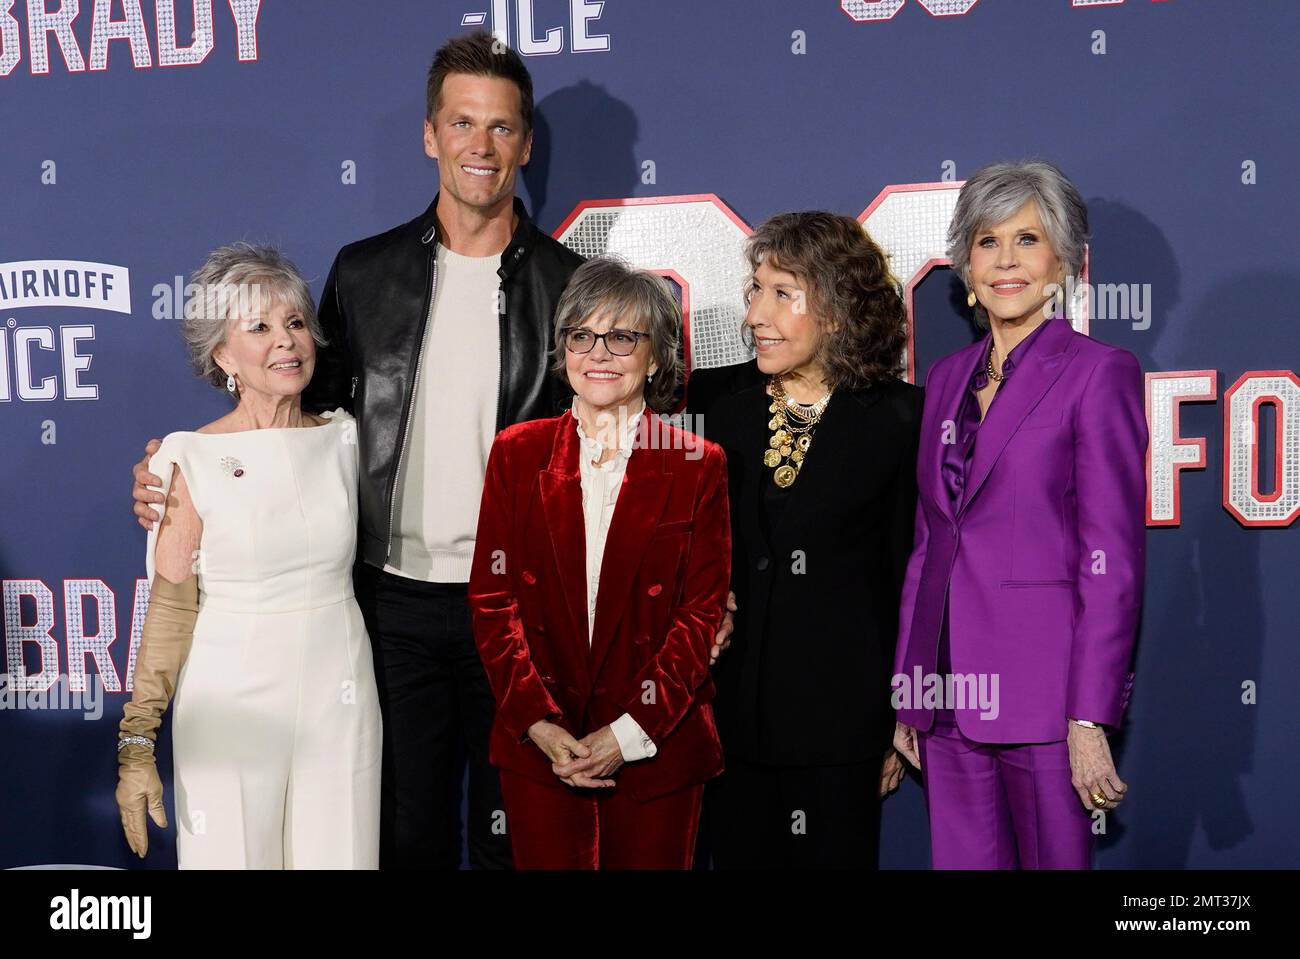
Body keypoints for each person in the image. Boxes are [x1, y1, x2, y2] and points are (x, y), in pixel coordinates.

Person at [130, 31, 582, 869]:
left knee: (516, 840)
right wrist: (174, 470)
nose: (480, 147)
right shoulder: (366, 274)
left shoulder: (569, 287)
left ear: (525, 143)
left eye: (501, 128)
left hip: (515, 609)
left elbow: (612, 447)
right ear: (429, 135)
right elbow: (298, 419)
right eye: (461, 123)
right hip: (389, 611)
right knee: (395, 840)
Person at [891, 160, 1147, 869]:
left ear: (1062, 259)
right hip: (946, 697)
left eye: (1027, 240)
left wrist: (1088, 714)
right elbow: (928, 543)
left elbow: (1113, 560)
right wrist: (911, 690)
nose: (1006, 261)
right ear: (966, 263)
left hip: (1044, 701)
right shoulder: (943, 379)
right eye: (987, 241)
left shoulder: (1099, 373)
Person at [116, 243, 380, 868]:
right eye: (258, 328)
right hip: (229, 707)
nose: (286, 342)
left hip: (340, 698)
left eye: (294, 324)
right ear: (221, 355)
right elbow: (172, 612)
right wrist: (136, 743)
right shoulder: (186, 459)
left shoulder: (348, 438)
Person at [468, 257, 731, 869]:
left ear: (658, 355)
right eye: (581, 335)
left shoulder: (698, 462)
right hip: (542, 748)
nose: (599, 353)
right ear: (563, 351)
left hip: (657, 750)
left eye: (622, 336)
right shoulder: (517, 452)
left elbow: (700, 615)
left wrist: (628, 734)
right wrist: (537, 722)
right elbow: (491, 600)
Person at [692, 212, 922, 869]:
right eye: (754, 290)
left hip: (842, 730)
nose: (757, 314)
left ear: (838, 310)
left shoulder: (901, 420)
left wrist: (895, 723)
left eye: (782, 293)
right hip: (728, 724)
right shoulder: (710, 403)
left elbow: (907, 576)